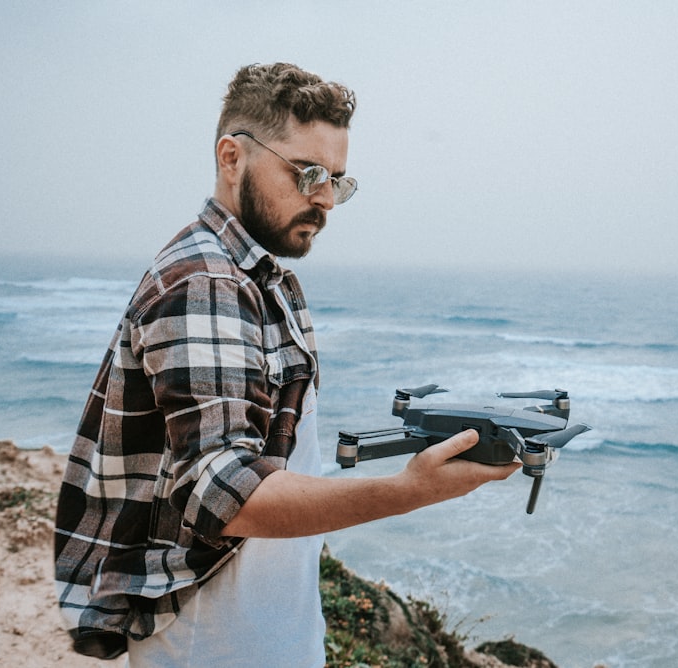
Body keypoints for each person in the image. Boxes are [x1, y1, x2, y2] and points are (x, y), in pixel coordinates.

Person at [53, 62, 520, 666]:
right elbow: (226, 496)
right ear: (232, 158)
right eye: (307, 173)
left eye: (337, 180)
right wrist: (409, 491)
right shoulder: (206, 283)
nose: (325, 198)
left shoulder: (264, 279)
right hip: (214, 643)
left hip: (264, 630)